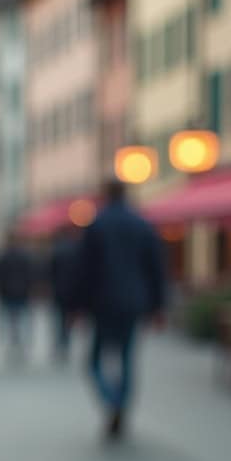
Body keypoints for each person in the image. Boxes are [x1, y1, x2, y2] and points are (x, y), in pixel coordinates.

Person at [71, 180, 166, 438]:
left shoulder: (97, 225)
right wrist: (158, 306)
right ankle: (121, 403)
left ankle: (111, 399)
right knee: (126, 358)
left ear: (105, 194)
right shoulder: (142, 224)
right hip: (134, 302)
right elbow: (156, 268)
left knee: (94, 361)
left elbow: (84, 269)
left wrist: (77, 305)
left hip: (102, 303)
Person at [0, 234, 35, 357]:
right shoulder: (25, 257)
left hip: (7, 293)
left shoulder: (4, 257)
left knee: (10, 320)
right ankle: (22, 343)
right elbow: (30, 275)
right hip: (22, 293)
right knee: (23, 320)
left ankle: (12, 342)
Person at [49, 226, 81, 360]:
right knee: (68, 319)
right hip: (73, 290)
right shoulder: (78, 250)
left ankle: (60, 343)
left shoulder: (57, 250)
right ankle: (66, 342)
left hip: (58, 289)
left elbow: (51, 271)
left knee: (58, 319)